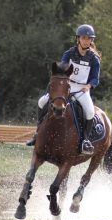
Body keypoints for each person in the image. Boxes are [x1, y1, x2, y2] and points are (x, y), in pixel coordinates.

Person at [26, 24, 101, 155]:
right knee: (41, 102)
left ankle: (85, 141)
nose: (86, 40)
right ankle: (37, 133)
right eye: (84, 38)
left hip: (82, 89)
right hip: (66, 86)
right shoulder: (69, 54)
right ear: (78, 38)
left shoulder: (94, 59)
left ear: (91, 40)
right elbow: (62, 70)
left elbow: (95, 79)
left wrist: (88, 86)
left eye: (89, 38)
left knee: (89, 112)